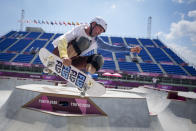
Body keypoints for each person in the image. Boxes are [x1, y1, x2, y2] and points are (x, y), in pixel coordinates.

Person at [52, 17, 142, 74]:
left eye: (101, 31)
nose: (99, 32)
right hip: (59, 53)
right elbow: (62, 40)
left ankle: (75, 74)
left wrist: (129, 49)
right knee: (84, 42)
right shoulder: (79, 29)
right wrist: (64, 56)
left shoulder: (97, 41)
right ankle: (56, 64)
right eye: (99, 29)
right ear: (93, 24)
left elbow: (111, 47)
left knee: (98, 59)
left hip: (72, 61)